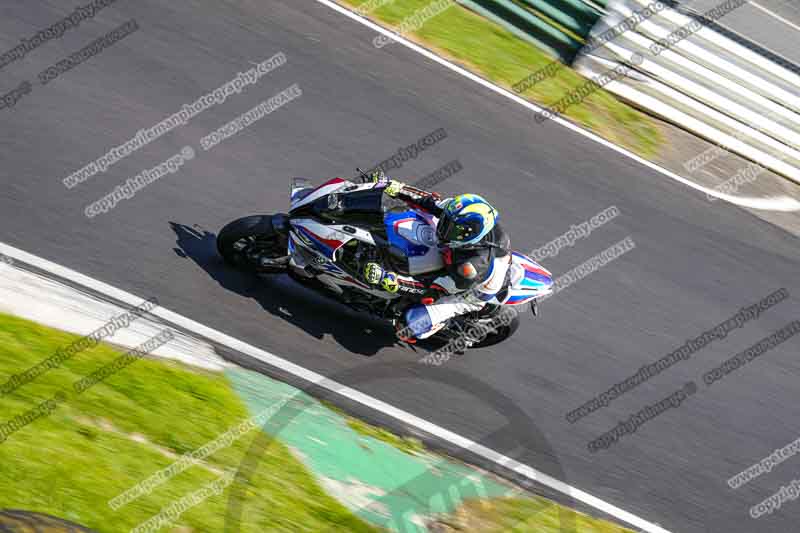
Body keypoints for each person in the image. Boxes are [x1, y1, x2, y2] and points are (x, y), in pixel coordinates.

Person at [361, 173, 511, 342]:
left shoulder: (469, 268)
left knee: (408, 326)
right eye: (446, 221)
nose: (444, 227)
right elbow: (430, 202)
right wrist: (395, 187)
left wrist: (391, 280)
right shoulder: (461, 217)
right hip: (475, 259)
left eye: (451, 228)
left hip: (469, 291)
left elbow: (433, 290)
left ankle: (442, 324)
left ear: (468, 235)